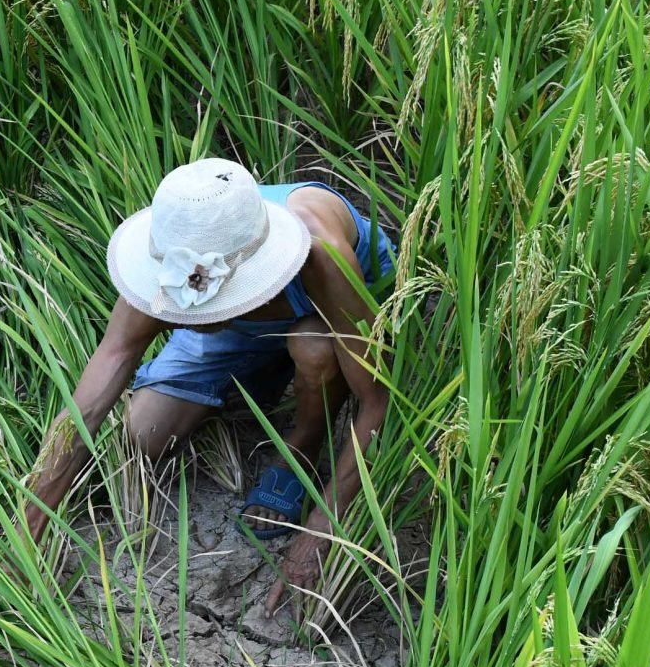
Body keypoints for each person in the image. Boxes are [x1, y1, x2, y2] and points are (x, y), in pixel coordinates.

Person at [21, 158, 392, 609]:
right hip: (244, 325)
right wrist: (31, 516)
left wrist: (321, 530)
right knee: (145, 434)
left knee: (312, 347)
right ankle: (262, 379)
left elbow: (377, 399)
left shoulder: (319, 252)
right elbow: (94, 397)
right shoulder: (170, 257)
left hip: (321, 311)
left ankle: (302, 446)